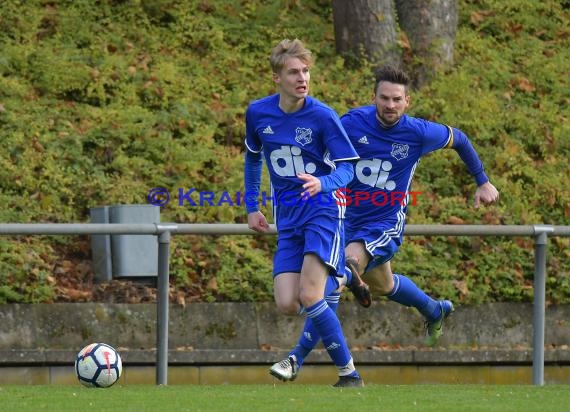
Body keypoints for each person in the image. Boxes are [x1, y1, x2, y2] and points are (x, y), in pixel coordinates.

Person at [269, 65, 500, 381]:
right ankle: (434, 310)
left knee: (338, 273)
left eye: (396, 99)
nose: (390, 105)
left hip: (383, 223)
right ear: (373, 97)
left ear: (407, 101)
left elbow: (459, 139)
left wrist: (482, 181)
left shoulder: (419, 133)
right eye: (384, 98)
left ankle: (297, 358)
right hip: (344, 218)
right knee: (384, 285)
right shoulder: (351, 123)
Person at [243, 38, 371, 388]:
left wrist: (323, 183)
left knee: (310, 295)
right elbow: (254, 159)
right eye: (294, 72)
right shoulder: (258, 112)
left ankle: (350, 375)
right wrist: (252, 207)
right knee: (288, 303)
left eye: (306, 71)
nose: (303, 78)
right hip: (288, 217)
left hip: (324, 211)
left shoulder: (323, 116)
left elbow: (348, 170)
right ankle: (340, 275)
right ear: (277, 78)